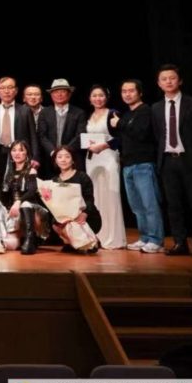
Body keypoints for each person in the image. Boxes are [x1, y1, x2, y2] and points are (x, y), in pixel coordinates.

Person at [152, 64, 192, 257]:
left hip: (191, 161)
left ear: (179, 81)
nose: (168, 81)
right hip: (168, 162)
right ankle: (180, 243)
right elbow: (158, 135)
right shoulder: (156, 108)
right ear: (159, 83)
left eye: (172, 78)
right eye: (164, 79)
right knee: (174, 206)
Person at [113, 79, 164, 253]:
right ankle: (144, 237)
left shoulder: (145, 111)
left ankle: (156, 240)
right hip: (128, 165)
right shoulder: (127, 114)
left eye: (131, 91)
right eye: (124, 91)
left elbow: (141, 133)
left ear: (140, 93)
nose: (127, 94)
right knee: (136, 206)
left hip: (143, 164)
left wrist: (119, 124)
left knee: (150, 204)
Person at [85, 85, 125, 249]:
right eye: (94, 95)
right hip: (92, 159)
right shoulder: (89, 115)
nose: (97, 98)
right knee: (95, 196)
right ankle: (98, 235)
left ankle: (113, 238)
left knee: (110, 195)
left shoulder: (112, 113)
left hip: (108, 157)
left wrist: (104, 146)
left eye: (101, 95)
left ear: (106, 97)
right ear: (90, 98)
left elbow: (121, 137)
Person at [0, 77, 40, 185]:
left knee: (18, 184)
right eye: (3, 88)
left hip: (19, 153)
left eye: (10, 87)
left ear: (16, 90)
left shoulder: (25, 110)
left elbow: (33, 136)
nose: (6, 91)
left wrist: (35, 157)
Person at [49, 146, 101, 254]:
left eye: (67, 157)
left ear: (73, 160)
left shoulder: (82, 177)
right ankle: (74, 243)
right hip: (66, 217)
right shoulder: (54, 180)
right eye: (60, 157)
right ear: (55, 160)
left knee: (74, 223)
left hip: (85, 216)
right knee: (55, 223)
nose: (63, 160)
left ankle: (89, 242)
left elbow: (89, 199)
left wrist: (84, 214)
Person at [1, 140, 48, 255]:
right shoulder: (9, 172)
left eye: (21, 150)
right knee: (10, 245)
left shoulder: (32, 170)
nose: (17, 153)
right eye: (14, 150)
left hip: (31, 208)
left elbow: (32, 192)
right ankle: (22, 237)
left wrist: (18, 202)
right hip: (14, 211)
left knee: (25, 204)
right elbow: (5, 195)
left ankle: (30, 239)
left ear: (26, 153)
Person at [37, 78, 87, 176]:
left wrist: (65, 153)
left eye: (63, 91)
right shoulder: (44, 112)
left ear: (69, 94)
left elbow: (80, 135)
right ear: (51, 95)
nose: (59, 94)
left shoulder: (79, 113)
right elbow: (42, 136)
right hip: (50, 159)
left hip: (73, 159)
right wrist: (53, 152)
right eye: (56, 92)